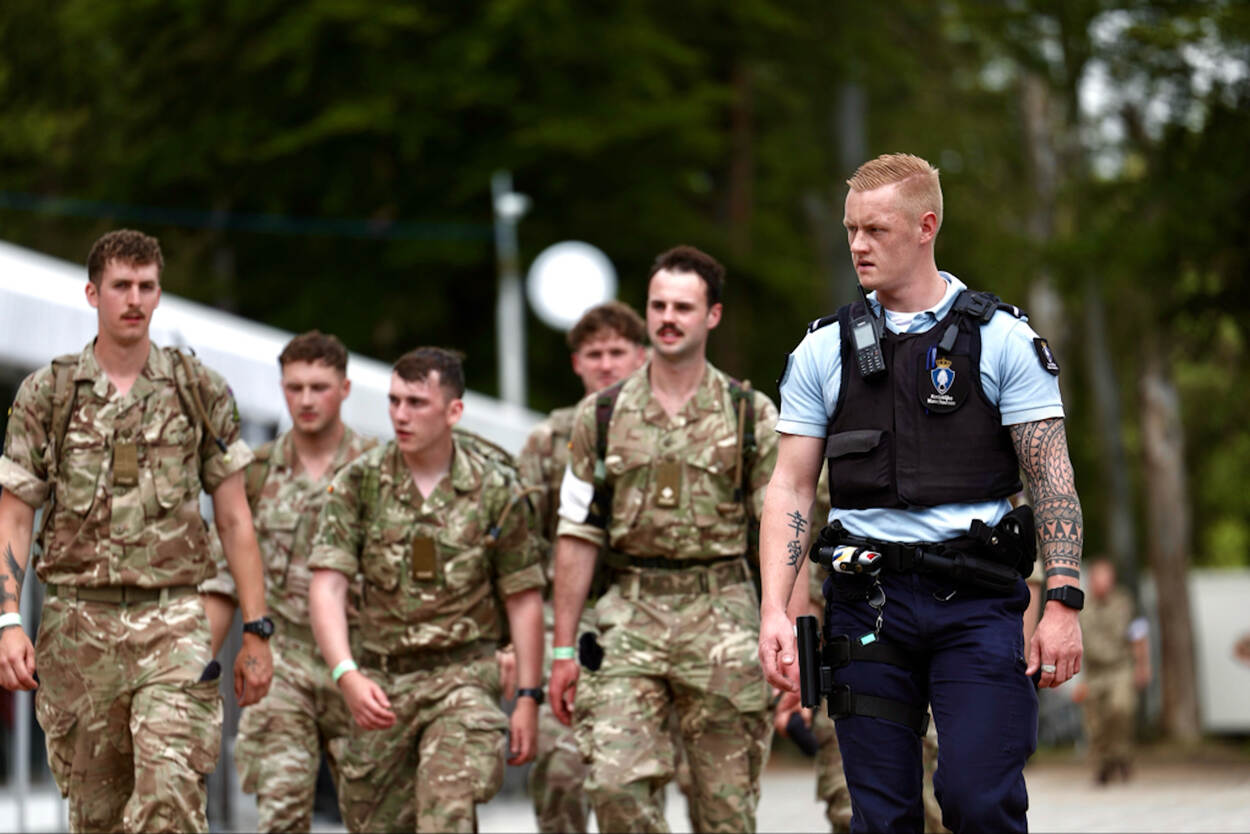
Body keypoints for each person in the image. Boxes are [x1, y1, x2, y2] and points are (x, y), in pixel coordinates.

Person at [758, 153, 1084, 834]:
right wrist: (775, 612)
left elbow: (1050, 478)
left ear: (925, 226)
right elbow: (789, 488)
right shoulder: (823, 350)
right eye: (851, 229)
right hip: (866, 607)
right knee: (879, 816)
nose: (857, 245)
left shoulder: (1002, 340)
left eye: (875, 229)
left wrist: (1062, 601)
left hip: (976, 607)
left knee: (977, 798)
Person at [0, 229, 273, 833]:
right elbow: (15, 511)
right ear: (93, 293)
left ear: (159, 293)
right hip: (78, 628)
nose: (135, 299)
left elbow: (233, 516)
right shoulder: (48, 394)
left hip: (173, 620)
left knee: (171, 797)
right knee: (98, 816)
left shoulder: (197, 389)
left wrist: (257, 629)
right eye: (121, 286)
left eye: (147, 286)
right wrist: (7, 620)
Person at [549, 245, 779, 833]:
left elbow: (783, 531)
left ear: (713, 316)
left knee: (725, 812)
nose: (668, 317)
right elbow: (577, 534)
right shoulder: (600, 417)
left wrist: (790, 633)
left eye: (684, 306)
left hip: (722, 615)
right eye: (658, 305)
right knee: (614, 785)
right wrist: (561, 649)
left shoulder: (748, 414)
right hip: (629, 616)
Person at [307, 347, 545, 833]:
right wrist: (346, 673)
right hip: (383, 684)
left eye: (416, 403)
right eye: (394, 401)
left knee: (446, 807)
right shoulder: (360, 484)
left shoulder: (496, 489)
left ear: (453, 411)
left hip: (464, 680)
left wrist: (526, 697)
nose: (400, 414)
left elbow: (523, 600)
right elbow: (327, 586)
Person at [200, 330, 376, 831]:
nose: (305, 399)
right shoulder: (254, 473)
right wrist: (194, 672)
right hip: (284, 662)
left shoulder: (379, 470)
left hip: (361, 659)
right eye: (294, 387)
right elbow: (222, 579)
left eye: (319, 387)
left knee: (380, 814)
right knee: (280, 812)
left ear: (344, 388)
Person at [514, 301, 646, 833]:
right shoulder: (548, 442)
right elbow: (518, 552)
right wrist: (513, 643)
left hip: (643, 616)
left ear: (641, 357)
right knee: (561, 770)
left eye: (618, 352)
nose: (607, 364)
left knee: (632, 780)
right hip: (562, 620)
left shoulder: (659, 431)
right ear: (577, 364)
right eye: (595, 354)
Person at [1071, 558, 1150, 784]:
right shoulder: (1081, 603)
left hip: (1120, 667)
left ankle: (1122, 756)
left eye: (1106, 577)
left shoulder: (1124, 602)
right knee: (1095, 722)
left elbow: (1138, 635)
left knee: (1120, 709)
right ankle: (1104, 762)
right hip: (1094, 670)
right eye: (1097, 577)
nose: (1101, 583)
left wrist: (1143, 666)